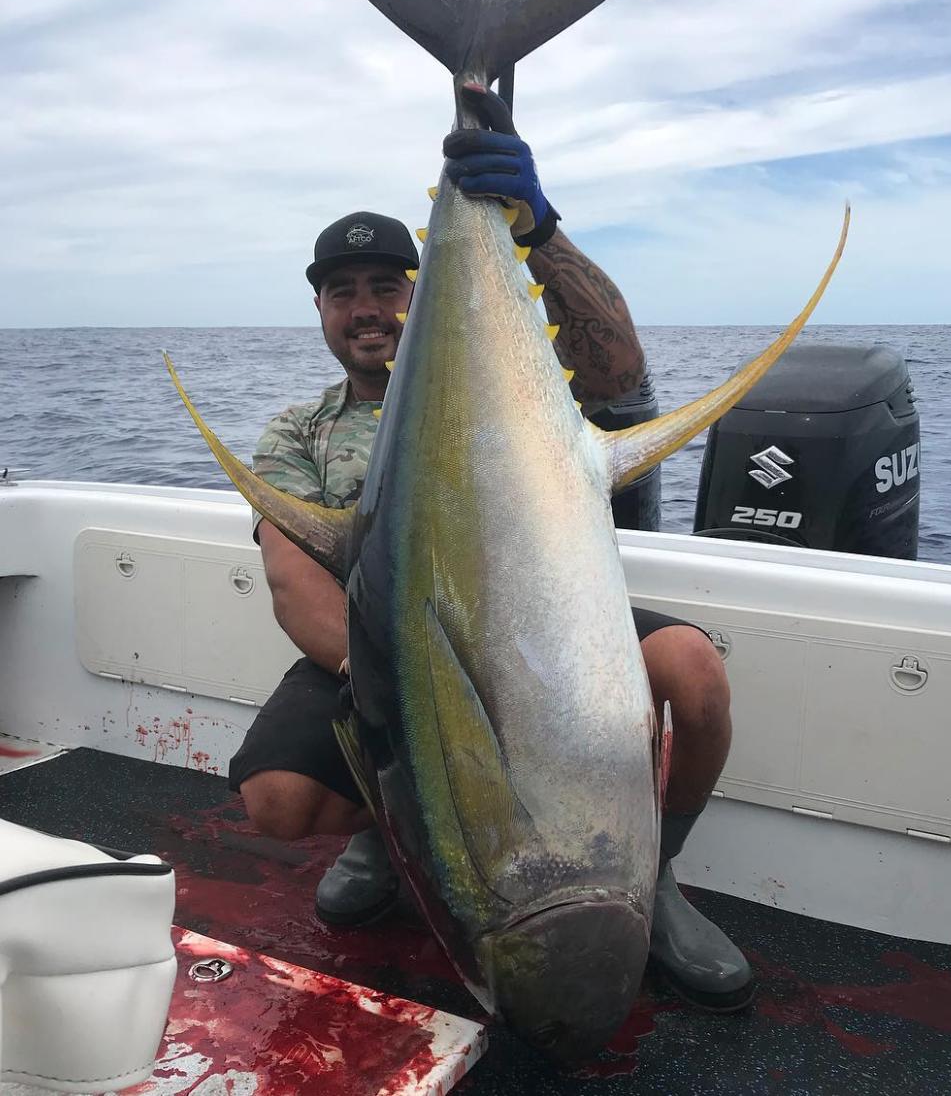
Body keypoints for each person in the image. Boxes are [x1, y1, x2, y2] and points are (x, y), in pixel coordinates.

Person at [227, 87, 754, 1012]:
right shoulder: (297, 433)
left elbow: (620, 368)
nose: (365, 308)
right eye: (342, 291)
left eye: (387, 286)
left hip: (548, 605)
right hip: (384, 650)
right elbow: (289, 573)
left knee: (696, 673)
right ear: (318, 308)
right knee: (273, 799)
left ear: (418, 294)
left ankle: (652, 867)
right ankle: (395, 832)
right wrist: (403, 705)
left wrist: (537, 227)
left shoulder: (516, 385)